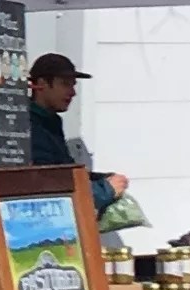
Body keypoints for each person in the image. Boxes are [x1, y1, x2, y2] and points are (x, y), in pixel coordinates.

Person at [28, 53, 126, 219]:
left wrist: (101, 178)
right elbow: (46, 182)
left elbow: (64, 170)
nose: (72, 92)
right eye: (65, 84)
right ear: (42, 84)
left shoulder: (51, 120)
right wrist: (105, 190)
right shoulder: (27, 125)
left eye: (73, 85)